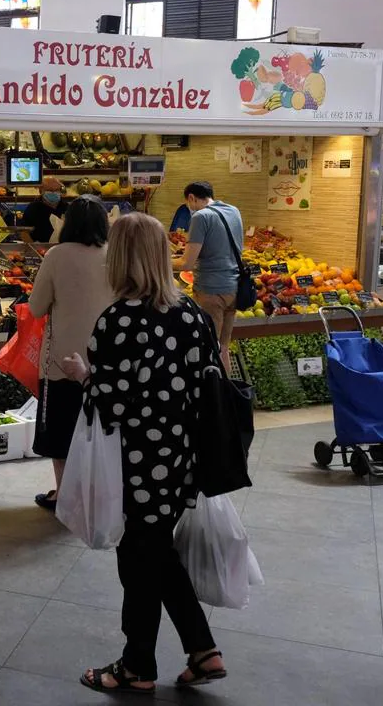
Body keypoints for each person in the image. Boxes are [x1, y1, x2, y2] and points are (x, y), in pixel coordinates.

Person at [61, 212, 225, 694]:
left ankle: (137, 667)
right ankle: (203, 650)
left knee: (138, 559)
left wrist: (82, 374)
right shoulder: (193, 315)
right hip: (181, 458)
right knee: (154, 550)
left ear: (121, 257)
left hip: (134, 462)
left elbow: (113, 399)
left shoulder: (118, 319)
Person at [27, 195, 115, 512]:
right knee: (101, 429)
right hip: (107, 359)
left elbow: (36, 307)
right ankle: (99, 492)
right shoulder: (115, 255)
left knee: (62, 430)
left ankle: (65, 494)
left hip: (62, 360)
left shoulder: (57, 255)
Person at [173, 181, 243, 370]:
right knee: (224, 347)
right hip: (235, 289)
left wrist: (160, 261)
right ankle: (226, 393)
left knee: (208, 348)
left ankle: (212, 396)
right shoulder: (233, 211)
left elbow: (187, 263)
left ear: (191, 198)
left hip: (211, 291)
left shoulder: (200, 217)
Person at [22, 176, 66, 243]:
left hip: (62, 248)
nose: (54, 192)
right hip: (40, 248)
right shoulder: (33, 208)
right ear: (41, 191)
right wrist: (34, 249)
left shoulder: (67, 208)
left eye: (57, 190)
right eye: (50, 190)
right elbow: (24, 232)